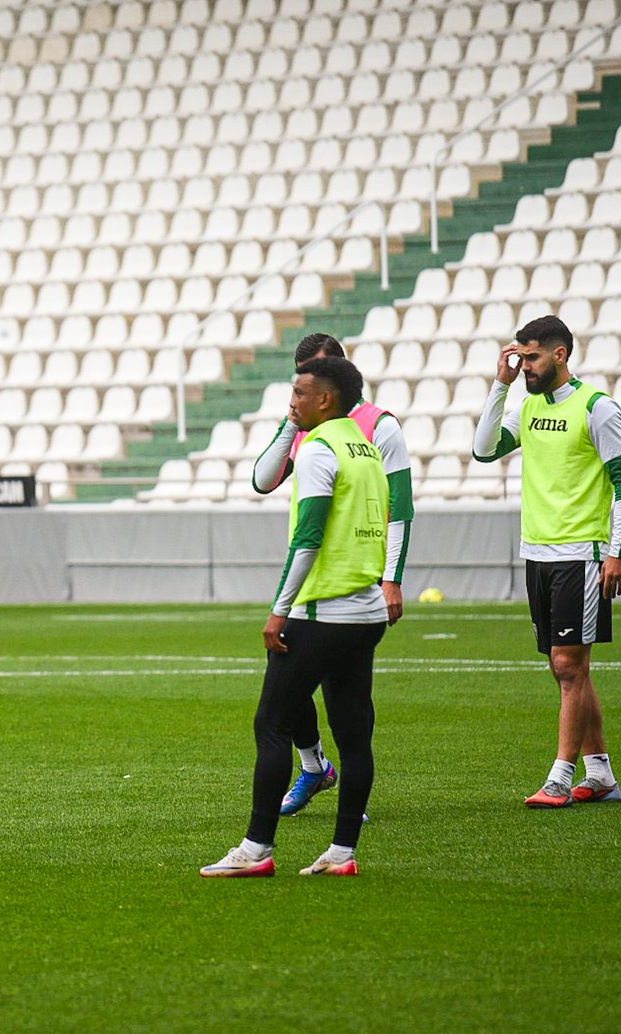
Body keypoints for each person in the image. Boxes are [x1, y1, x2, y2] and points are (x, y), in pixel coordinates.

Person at [203, 356, 390, 878]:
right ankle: (342, 853)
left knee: (272, 721)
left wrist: (278, 611)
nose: (292, 402)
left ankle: (256, 849)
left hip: (322, 610)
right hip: (366, 609)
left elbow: (307, 539)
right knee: (354, 736)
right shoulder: (365, 447)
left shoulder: (320, 451)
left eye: (298, 393)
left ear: (324, 398)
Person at [471, 315, 621, 808]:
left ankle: (561, 778)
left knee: (569, 665)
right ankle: (601, 773)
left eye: (531, 357)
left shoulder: (597, 408)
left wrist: (618, 552)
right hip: (536, 552)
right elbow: (483, 451)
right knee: (565, 668)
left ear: (560, 355)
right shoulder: (525, 406)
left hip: (581, 555)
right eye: (519, 357)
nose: (523, 366)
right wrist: (499, 387)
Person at [251, 333, 412, 817]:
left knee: (306, 704)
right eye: (298, 379)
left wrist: (391, 577)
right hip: (312, 584)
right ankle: (316, 770)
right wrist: (290, 422)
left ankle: (270, 837)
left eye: (310, 381)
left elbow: (398, 507)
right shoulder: (308, 425)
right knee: (301, 693)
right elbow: (262, 480)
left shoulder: (379, 426)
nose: (299, 390)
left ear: (334, 382)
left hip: (345, 587)